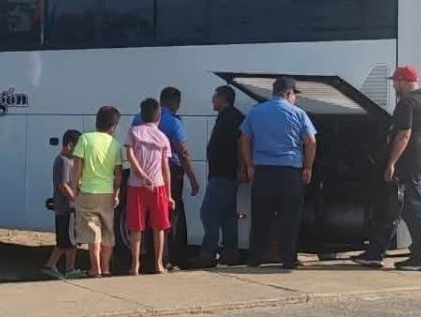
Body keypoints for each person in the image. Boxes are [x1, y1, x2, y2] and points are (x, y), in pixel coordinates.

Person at [352, 65, 421, 272]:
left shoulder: (407, 103)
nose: (394, 86)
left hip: (409, 162)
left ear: (403, 81)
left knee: (411, 208)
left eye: (395, 82)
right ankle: (375, 253)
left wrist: (391, 162)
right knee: (393, 208)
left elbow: (404, 135)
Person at [240, 76, 317, 270]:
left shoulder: (256, 112)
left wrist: (250, 165)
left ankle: (255, 258)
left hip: (263, 171)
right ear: (289, 93)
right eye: (294, 95)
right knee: (289, 218)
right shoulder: (299, 114)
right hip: (290, 172)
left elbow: (244, 139)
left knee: (260, 217)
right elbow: (311, 142)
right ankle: (288, 259)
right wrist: (307, 167)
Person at [133, 86, 200, 269]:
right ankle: (168, 258)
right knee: (169, 217)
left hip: (141, 176)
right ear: (175, 102)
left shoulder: (137, 119)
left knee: (145, 218)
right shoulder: (173, 122)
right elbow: (182, 153)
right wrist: (192, 178)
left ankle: (146, 258)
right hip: (167, 174)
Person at [70, 106, 124, 278]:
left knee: (93, 231)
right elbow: (118, 173)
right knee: (108, 231)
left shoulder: (85, 139)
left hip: (87, 191)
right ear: (113, 126)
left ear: (96, 122)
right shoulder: (115, 145)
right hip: (107, 193)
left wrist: (74, 185)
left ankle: (95, 269)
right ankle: (106, 268)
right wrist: (116, 193)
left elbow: (77, 165)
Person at [124, 98, 174, 275]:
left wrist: (142, 176)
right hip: (158, 186)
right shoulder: (163, 137)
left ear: (141, 114)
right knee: (159, 227)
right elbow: (165, 167)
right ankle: (158, 264)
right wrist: (169, 194)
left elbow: (130, 156)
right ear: (158, 117)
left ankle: (135, 265)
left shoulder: (133, 132)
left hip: (136, 186)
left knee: (136, 227)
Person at [197, 85, 245, 267]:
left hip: (225, 173)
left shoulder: (233, 118)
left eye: (215, 97)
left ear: (224, 98)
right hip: (222, 173)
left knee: (208, 213)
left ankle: (208, 253)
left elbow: (241, 142)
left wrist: (241, 168)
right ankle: (230, 253)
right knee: (227, 215)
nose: (212, 100)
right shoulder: (226, 117)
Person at [43, 129, 82, 280]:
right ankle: (69, 268)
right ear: (70, 145)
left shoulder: (68, 161)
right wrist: (75, 199)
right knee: (70, 241)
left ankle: (51, 265)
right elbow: (63, 185)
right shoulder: (63, 161)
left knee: (64, 240)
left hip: (67, 207)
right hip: (66, 207)